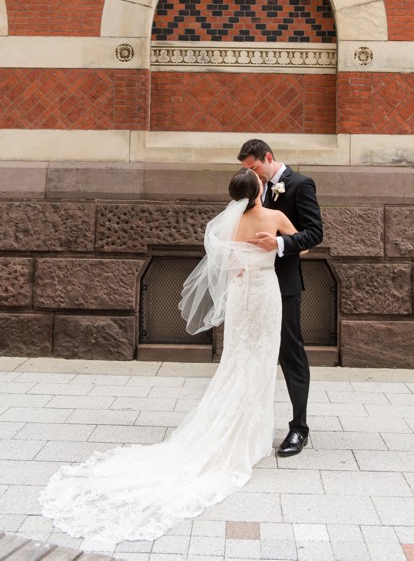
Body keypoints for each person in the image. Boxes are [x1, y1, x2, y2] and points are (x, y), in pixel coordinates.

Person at [40, 169, 298, 543]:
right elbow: (301, 244)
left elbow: (225, 265)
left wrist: (244, 258)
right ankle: (251, 439)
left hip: (243, 297)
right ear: (259, 189)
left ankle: (243, 433)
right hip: (265, 297)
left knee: (237, 361)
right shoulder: (273, 218)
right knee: (259, 363)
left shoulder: (225, 225)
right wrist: (273, 246)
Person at [237, 139, 323, 457]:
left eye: (255, 168)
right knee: (248, 352)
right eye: (247, 170)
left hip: (284, 285)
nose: (253, 175)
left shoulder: (300, 184)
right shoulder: (252, 189)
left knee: (291, 354)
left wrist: (279, 243)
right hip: (254, 287)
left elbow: (315, 232)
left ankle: (298, 429)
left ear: (268, 158)